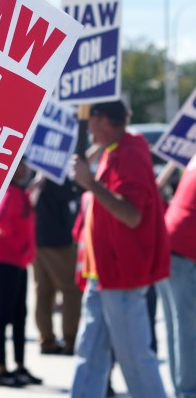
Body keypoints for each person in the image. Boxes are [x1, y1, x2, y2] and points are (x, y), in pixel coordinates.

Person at [70, 100, 169, 398]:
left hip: (121, 278)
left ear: (103, 120)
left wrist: (91, 184)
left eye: (90, 119)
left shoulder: (130, 153)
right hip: (103, 276)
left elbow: (131, 215)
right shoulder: (118, 150)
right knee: (90, 357)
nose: (87, 127)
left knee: (135, 360)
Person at [0, 161, 42, 388]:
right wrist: (23, 248)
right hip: (4, 259)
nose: (27, 168)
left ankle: (19, 366)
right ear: (13, 169)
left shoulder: (19, 192)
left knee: (19, 313)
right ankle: (2, 370)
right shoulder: (10, 192)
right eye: (23, 165)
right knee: (4, 314)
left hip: (17, 260)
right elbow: (3, 223)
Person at [29, 174, 82, 355]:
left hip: (37, 239)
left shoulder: (33, 172)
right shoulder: (54, 173)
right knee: (71, 291)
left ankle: (47, 340)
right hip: (58, 241)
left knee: (43, 292)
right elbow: (68, 195)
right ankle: (70, 340)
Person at [158, 154, 196, 398]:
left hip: (171, 243)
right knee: (186, 328)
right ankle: (187, 391)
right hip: (183, 248)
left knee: (178, 326)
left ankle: (182, 389)